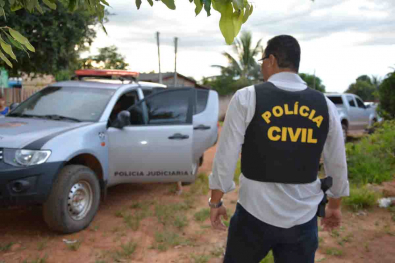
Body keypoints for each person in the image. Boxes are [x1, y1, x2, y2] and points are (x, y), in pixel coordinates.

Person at [208, 35, 349, 263]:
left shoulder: (247, 98)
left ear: (271, 60)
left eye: (262, 60)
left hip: (253, 217)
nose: (262, 66)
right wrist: (334, 205)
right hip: (302, 220)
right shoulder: (325, 105)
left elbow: (226, 157)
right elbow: (337, 163)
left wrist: (216, 201)